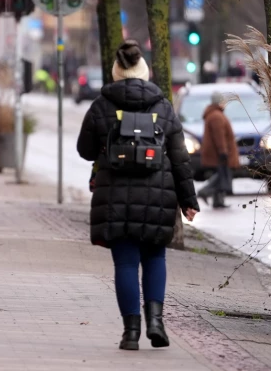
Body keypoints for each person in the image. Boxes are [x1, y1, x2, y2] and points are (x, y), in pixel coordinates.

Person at [76, 41, 199, 351]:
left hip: (115, 198)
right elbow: (180, 158)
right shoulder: (163, 106)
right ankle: (156, 322)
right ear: (144, 72)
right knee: (155, 257)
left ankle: (131, 332)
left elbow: (84, 150)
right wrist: (188, 201)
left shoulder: (102, 105)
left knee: (126, 264)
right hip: (158, 197)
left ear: (117, 72)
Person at [198, 92, 239, 208]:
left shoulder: (214, 114)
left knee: (221, 174)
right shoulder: (216, 116)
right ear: (219, 102)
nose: (225, 103)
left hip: (216, 153)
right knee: (221, 176)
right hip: (219, 153)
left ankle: (218, 201)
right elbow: (219, 136)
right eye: (223, 101)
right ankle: (204, 191)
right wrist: (223, 152)